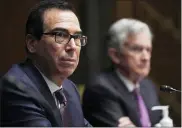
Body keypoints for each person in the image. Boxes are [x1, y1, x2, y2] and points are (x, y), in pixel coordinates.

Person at [0, 0, 91, 127]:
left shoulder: (69, 88)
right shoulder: (17, 88)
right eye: (60, 35)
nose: (72, 47)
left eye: (77, 37)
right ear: (32, 43)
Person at [82, 18, 162, 127]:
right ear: (115, 55)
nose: (146, 57)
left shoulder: (148, 86)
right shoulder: (101, 89)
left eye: (148, 50)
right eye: (137, 49)